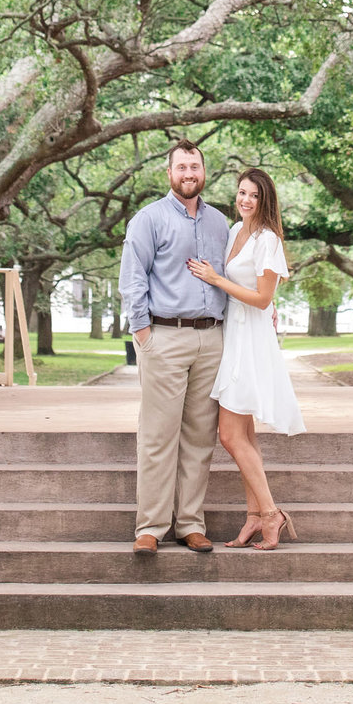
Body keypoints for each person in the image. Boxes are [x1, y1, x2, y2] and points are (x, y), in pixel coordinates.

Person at [118, 139, 229, 556]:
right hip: (164, 337)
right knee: (158, 436)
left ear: (203, 172)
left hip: (211, 340)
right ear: (169, 173)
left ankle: (190, 524)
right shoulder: (148, 219)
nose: (188, 174)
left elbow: (230, 277)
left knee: (200, 438)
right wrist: (143, 333)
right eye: (181, 167)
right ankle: (150, 527)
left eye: (194, 167)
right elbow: (132, 279)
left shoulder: (220, 222)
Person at [187, 166, 304, 549]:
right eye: (241, 193)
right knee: (246, 436)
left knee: (230, 435)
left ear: (264, 199)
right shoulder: (237, 231)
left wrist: (215, 279)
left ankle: (272, 514)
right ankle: (254, 516)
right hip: (231, 332)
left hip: (249, 339)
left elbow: (264, 298)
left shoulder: (268, 239)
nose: (245, 200)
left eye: (253, 195)